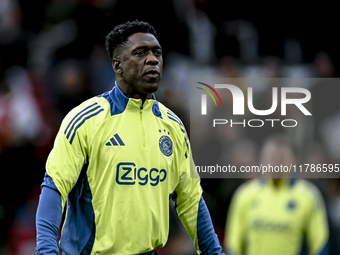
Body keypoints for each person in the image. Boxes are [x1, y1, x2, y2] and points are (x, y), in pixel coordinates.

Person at [35, 20, 224, 255]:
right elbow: (54, 188)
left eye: (157, 53)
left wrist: (213, 253)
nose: (153, 59)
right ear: (118, 66)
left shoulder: (173, 126)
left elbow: (191, 200)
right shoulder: (85, 119)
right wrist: (46, 250)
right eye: (140, 53)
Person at [224, 134, 329, 255]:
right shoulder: (244, 195)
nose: (276, 163)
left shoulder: (309, 195)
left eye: (281, 158)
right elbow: (233, 244)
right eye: (271, 157)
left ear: (294, 161)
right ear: (261, 160)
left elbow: (320, 245)